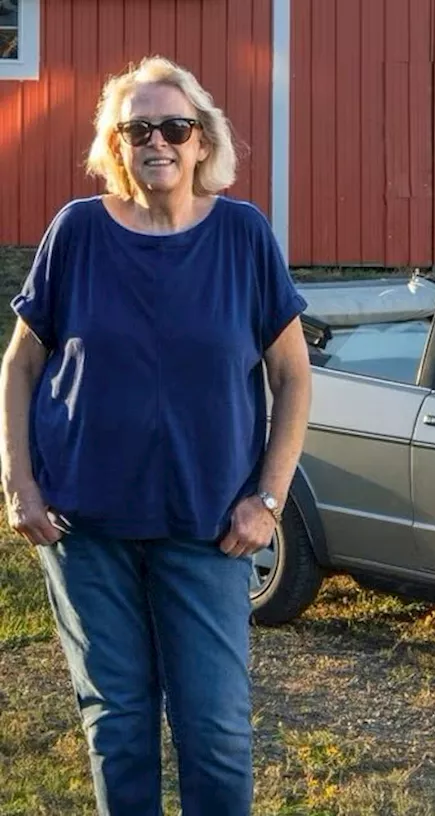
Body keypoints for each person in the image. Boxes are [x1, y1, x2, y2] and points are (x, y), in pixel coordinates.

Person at [0, 56, 312, 814]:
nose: (157, 142)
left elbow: (294, 376)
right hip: (87, 526)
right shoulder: (76, 232)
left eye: (175, 126)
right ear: (116, 144)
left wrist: (266, 499)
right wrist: (20, 484)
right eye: (137, 128)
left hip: (209, 528)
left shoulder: (243, 236)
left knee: (214, 731)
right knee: (118, 725)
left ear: (202, 141)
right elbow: (20, 364)